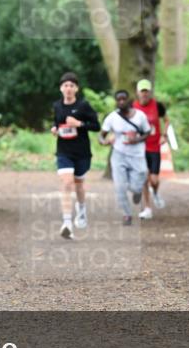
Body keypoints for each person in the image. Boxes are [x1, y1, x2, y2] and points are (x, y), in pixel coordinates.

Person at [51, 72, 100, 239]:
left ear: (76, 88)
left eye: (72, 85)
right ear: (61, 88)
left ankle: (82, 209)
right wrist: (55, 129)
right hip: (64, 151)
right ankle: (67, 223)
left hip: (82, 153)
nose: (68, 88)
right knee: (66, 183)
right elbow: (56, 123)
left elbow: (96, 126)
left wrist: (79, 124)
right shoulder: (57, 106)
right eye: (66, 85)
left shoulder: (84, 106)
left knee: (79, 184)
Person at [99, 90, 152, 226]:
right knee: (119, 186)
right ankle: (127, 214)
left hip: (137, 154)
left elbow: (147, 132)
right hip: (118, 154)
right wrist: (105, 142)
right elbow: (101, 136)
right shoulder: (112, 117)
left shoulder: (140, 116)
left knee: (140, 178)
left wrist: (137, 139)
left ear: (129, 100)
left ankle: (137, 191)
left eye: (124, 99)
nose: (121, 102)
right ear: (116, 101)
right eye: (119, 100)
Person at [133, 78, 170, 218]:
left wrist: (164, 135)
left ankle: (155, 192)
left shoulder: (157, 106)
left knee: (154, 179)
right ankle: (147, 208)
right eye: (142, 91)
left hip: (154, 147)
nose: (144, 94)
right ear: (137, 92)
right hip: (140, 147)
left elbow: (166, 120)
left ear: (150, 92)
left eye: (147, 91)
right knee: (144, 178)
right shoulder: (133, 107)